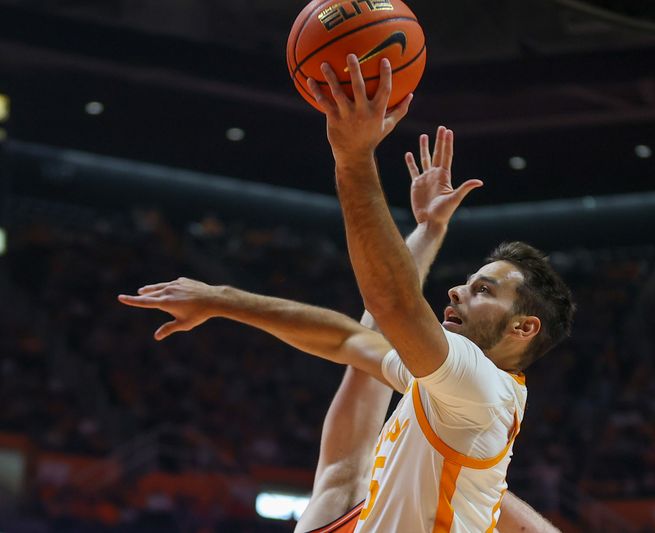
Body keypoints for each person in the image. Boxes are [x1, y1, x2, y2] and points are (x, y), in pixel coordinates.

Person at [120, 129, 562, 532]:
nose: (455, 291)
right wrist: (221, 299)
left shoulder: (479, 384)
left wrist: (353, 156)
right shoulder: (447, 387)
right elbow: (350, 340)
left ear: (523, 327)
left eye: (482, 290)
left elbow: (390, 303)